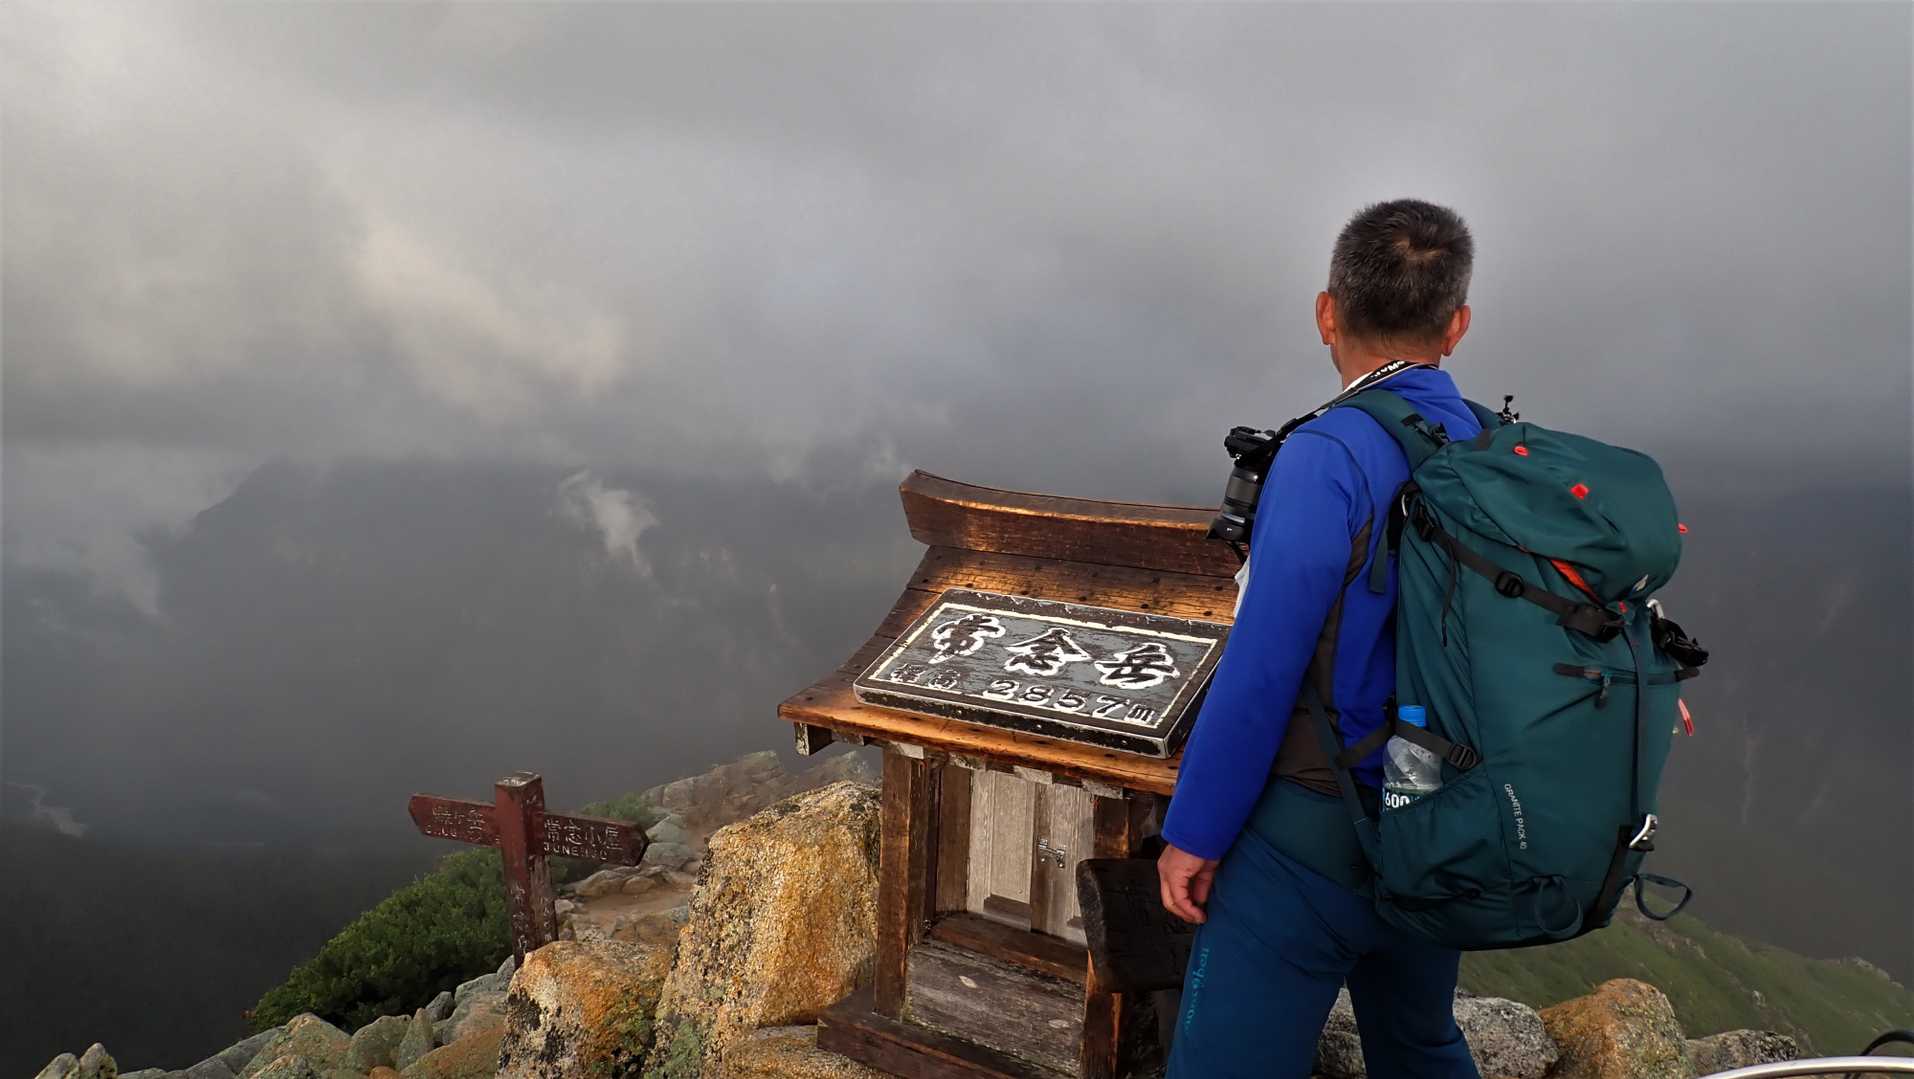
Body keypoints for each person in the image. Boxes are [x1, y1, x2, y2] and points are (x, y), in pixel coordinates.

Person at [1158, 199, 1483, 1078]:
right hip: (1442, 816)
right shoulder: (1493, 447)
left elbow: (1263, 670)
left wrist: (1195, 832)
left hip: (1318, 832)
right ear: (1456, 326)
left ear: (1326, 313)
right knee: (1419, 1043)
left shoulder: (1325, 455)